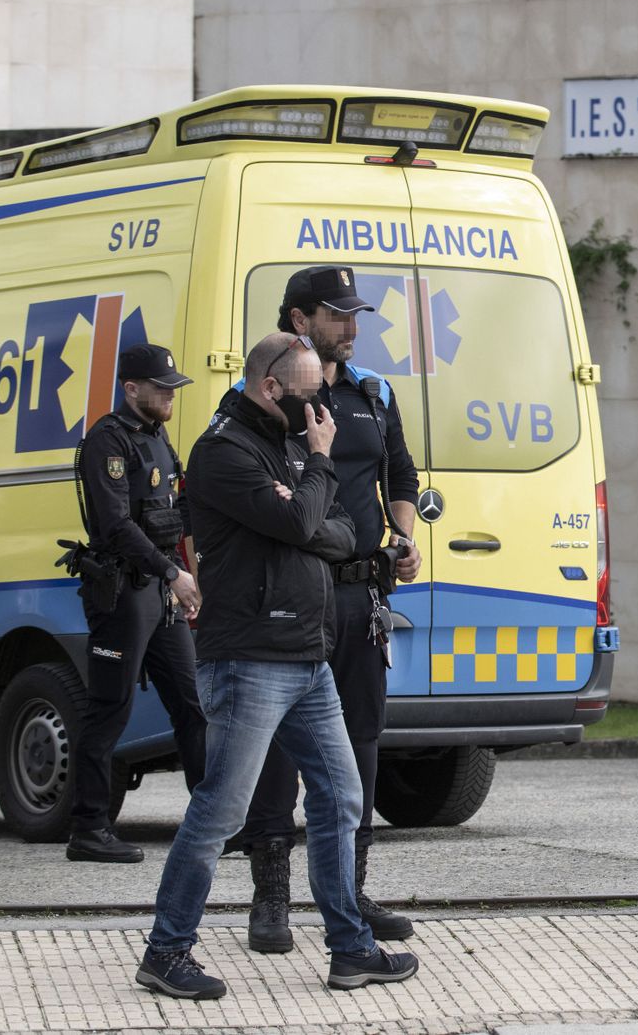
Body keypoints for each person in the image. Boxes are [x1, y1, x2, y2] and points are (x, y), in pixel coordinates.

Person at [137, 333, 418, 999]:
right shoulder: (224, 451)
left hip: (307, 656)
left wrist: (303, 502)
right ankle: (166, 951)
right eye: (309, 394)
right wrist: (314, 477)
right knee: (222, 810)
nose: (321, 408)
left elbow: (341, 530)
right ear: (270, 387)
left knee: (341, 796)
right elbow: (299, 525)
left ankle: (350, 949)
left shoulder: (288, 446)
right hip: (250, 658)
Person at [230, 265, 422, 954]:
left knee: (360, 744)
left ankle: (351, 892)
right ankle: (271, 898)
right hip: (289, 595)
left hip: (359, 594)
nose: (351, 326)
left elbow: (401, 474)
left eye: (354, 314)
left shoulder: (373, 392)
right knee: (279, 747)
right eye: (337, 314)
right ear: (298, 319)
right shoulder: (265, 395)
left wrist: (403, 537)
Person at [65, 343, 206, 863]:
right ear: (131, 389)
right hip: (124, 592)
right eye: (162, 388)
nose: (171, 396)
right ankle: (88, 829)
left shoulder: (156, 436)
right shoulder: (108, 440)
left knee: (192, 705)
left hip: (160, 592)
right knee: (109, 709)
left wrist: (186, 572)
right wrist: (172, 573)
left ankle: (211, 821)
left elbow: (175, 511)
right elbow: (116, 525)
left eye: (173, 388)